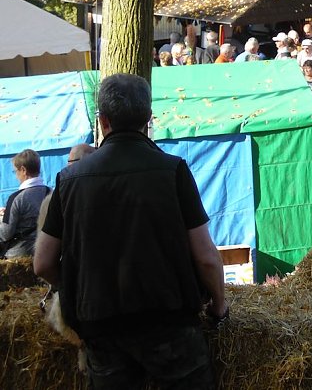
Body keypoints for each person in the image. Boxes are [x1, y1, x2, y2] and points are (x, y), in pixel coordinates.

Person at [34, 73, 226, 389]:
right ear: (148, 119)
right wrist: (219, 307)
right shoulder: (173, 170)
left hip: (101, 328)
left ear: (103, 120)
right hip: (170, 326)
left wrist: (76, 285)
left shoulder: (68, 180)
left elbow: (42, 263)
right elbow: (206, 257)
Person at [1, 149, 50, 259]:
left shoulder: (16, 198)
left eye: (15, 171)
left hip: (21, 255)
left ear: (23, 170)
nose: (16, 176)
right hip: (47, 252)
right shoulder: (50, 192)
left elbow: (5, 234)